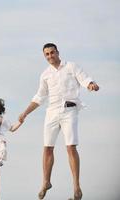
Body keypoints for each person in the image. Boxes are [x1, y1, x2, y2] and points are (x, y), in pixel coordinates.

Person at [18, 43, 99, 200]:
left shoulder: (71, 66)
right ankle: (46, 182)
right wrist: (25, 113)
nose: (50, 56)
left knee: (70, 147)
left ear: (57, 52)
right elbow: (40, 97)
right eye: (47, 54)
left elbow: (84, 79)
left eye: (52, 53)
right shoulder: (45, 74)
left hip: (69, 110)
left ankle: (76, 187)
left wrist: (91, 85)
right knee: (47, 148)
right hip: (52, 112)